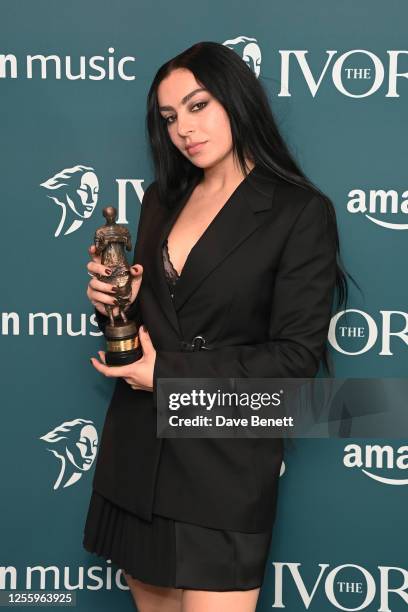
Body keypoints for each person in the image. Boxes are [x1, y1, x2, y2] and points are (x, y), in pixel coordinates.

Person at [82, 41, 353, 612]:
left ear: (236, 99)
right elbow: (161, 318)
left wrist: (169, 377)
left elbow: (295, 362)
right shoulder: (161, 198)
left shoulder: (299, 211)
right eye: (170, 117)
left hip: (223, 461)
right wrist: (114, 304)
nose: (184, 128)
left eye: (198, 105)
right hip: (140, 450)